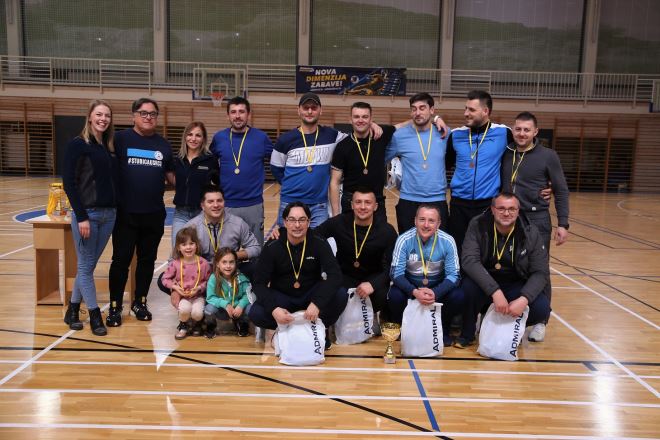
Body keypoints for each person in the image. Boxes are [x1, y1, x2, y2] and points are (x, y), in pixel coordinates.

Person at [500, 111, 569, 341]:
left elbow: (561, 190)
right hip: (508, 219)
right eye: (518, 129)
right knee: (507, 266)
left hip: (536, 219)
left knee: (539, 269)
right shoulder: (505, 152)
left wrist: (563, 223)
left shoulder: (548, 156)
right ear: (512, 130)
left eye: (526, 130)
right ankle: (507, 315)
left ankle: (541, 320)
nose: (521, 134)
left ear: (535, 132)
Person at [107, 97, 174, 327]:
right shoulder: (119, 139)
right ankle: (115, 306)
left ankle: (140, 302)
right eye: (143, 113)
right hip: (126, 215)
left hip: (153, 215)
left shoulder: (163, 145)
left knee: (147, 261)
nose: (148, 117)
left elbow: (172, 177)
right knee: (120, 261)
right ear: (133, 116)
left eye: (153, 114)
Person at [455, 192, 550, 348]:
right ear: (493, 209)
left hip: (515, 283)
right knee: (464, 290)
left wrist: (524, 299)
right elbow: (469, 261)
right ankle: (468, 333)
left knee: (541, 308)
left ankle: (511, 330)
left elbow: (541, 272)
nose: (506, 213)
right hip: (485, 283)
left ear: (518, 211)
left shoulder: (530, 231)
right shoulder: (478, 224)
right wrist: (495, 292)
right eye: (501, 208)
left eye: (512, 209)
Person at [249, 202, 346, 350]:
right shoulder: (272, 246)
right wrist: (274, 309)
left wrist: (318, 303)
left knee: (340, 295)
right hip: (283, 297)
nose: (297, 225)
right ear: (285, 222)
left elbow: (335, 276)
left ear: (309, 222)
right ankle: (284, 329)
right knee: (256, 313)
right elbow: (259, 283)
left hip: (310, 297)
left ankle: (320, 328)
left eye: (302, 220)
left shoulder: (319, 242)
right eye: (292, 220)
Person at [331, 101, 449, 221]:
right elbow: (334, 182)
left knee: (381, 233)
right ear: (350, 119)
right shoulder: (342, 146)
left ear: (371, 119)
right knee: (349, 233)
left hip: (377, 201)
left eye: (365, 117)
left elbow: (407, 123)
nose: (360, 120)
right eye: (356, 117)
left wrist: (435, 119)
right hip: (351, 201)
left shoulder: (382, 135)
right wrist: (335, 216)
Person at [62, 99, 117, 336]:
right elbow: (69, 183)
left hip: (109, 215)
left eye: (107, 115)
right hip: (88, 215)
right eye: (99, 114)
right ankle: (95, 316)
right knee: (85, 266)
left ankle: (72, 310)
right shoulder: (78, 144)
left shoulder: (107, 146)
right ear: (90, 117)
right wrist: (81, 216)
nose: (103, 119)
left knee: (88, 265)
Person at [315, 188, 398, 322]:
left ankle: (371, 317)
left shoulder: (387, 231)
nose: (363, 207)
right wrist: (327, 261)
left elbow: (393, 266)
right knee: (335, 293)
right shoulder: (339, 222)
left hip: (372, 277)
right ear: (352, 205)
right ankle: (331, 322)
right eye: (358, 202)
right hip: (344, 275)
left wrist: (373, 284)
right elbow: (315, 236)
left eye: (368, 202)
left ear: (375, 206)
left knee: (384, 293)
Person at [445, 90, 513, 254]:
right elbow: (444, 165)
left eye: (471, 110)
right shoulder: (456, 135)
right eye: (465, 108)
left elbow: (527, 155)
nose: (466, 113)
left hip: (487, 204)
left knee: (485, 249)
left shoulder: (503, 133)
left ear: (486, 111)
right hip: (459, 204)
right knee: (458, 249)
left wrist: (546, 182)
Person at [388, 204, 463, 347]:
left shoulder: (448, 241)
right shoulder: (404, 240)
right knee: (394, 295)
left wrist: (436, 292)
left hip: (437, 289)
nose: (426, 225)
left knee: (458, 295)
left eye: (431, 221)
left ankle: (443, 329)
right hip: (411, 288)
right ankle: (403, 329)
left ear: (438, 224)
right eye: (422, 219)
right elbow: (395, 274)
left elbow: (454, 276)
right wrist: (414, 291)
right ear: (415, 221)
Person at [210, 97, 273, 246]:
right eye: (233, 112)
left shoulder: (261, 138)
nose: (237, 116)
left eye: (241, 112)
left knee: (255, 250)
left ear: (248, 114)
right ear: (228, 115)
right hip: (227, 205)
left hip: (253, 205)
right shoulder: (219, 138)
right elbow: (210, 165)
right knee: (226, 253)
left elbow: (278, 161)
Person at [385, 93, 449, 233]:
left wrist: (437, 118)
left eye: (422, 108)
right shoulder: (399, 136)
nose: (417, 112)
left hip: (437, 200)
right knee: (408, 244)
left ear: (432, 110)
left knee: (437, 245)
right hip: (408, 201)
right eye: (414, 109)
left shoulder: (444, 133)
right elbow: (380, 159)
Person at [171, 121, 219, 244]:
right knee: (177, 249)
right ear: (185, 137)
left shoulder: (210, 160)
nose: (193, 139)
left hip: (202, 213)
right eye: (190, 134)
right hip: (180, 213)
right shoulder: (177, 159)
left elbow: (219, 184)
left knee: (201, 250)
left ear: (203, 139)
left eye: (198, 135)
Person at [160, 227, 211, 339]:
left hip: (198, 296)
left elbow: (209, 281)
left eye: (191, 243)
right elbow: (164, 279)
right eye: (184, 244)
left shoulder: (203, 263)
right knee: (184, 310)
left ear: (196, 245)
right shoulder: (175, 263)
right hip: (183, 297)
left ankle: (197, 323)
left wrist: (199, 288)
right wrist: (175, 288)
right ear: (178, 247)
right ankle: (183, 325)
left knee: (197, 313)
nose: (188, 247)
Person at [205, 247, 252, 338]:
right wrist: (225, 304)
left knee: (250, 307)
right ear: (218, 264)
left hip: (238, 310)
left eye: (231, 262)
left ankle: (243, 324)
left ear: (236, 263)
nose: (228, 266)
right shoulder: (213, 278)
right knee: (209, 309)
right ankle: (211, 326)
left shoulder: (241, 277)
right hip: (222, 311)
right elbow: (210, 297)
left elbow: (248, 295)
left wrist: (241, 305)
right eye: (224, 262)